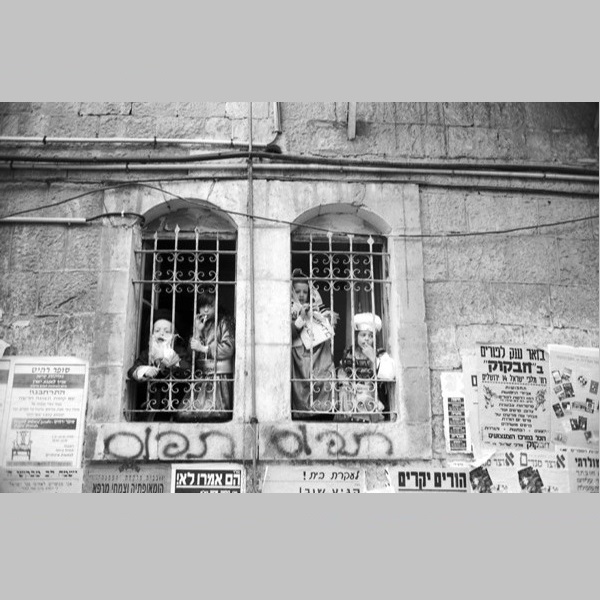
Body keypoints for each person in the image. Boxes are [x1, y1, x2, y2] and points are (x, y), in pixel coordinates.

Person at [178, 291, 235, 421]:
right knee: (185, 413)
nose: (205, 309)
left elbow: (228, 348)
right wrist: (197, 332)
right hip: (202, 377)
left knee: (216, 413)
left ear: (216, 305)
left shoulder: (224, 322)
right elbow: (190, 356)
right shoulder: (200, 324)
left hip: (219, 377)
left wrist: (204, 348)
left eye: (209, 305)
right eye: (202, 306)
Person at [291, 269, 337, 419]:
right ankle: (302, 412)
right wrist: (300, 319)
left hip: (318, 352)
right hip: (299, 355)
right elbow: (286, 333)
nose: (302, 295)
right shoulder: (290, 309)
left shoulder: (316, 307)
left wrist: (325, 317)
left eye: (305, 291)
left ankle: (323, 411)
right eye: (298, 291)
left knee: (321, 379)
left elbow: (328, 326)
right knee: (301, 386)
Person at [128, 310, 190, 420]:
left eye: (167, 332)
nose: (161, 334)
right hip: (152, 406)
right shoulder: (148, 353)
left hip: (177, 405)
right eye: (157, 330)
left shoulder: (180, 351)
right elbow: (132, 371)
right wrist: (144, 370)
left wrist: (169, 359)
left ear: (174, 336)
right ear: (152, 335)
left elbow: (188, 369)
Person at [336, 312, 392, 423]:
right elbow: (342, 372)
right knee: (344, 392)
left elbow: (388, 374)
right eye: (363, 335)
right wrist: (348, 383)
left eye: (370, 336)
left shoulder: (379, 353)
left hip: (369, 389)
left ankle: (365, 417)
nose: (367, 339)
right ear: (356, 336)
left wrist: (373, 358)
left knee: (364, 397)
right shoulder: (350, 352)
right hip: (352, 388)